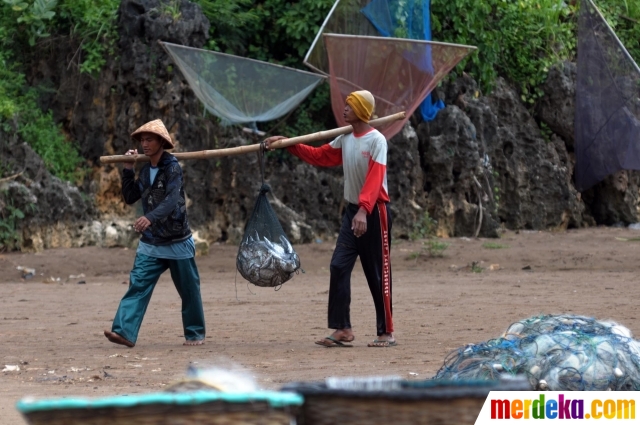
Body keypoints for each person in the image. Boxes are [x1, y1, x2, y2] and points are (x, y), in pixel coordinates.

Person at [264, 90, 395, 348]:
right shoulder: (345, 137)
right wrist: (289, 144)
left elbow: (375, 178)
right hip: (352, 212)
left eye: (350, 106)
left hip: (374, 212)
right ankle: (343, 328)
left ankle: (386, 332)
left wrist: (363, 210)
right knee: (338, 266)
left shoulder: (377, 141)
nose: (344, 109)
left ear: (362, 111)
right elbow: (321, 155)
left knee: (377, 274)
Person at [104, 119, 206, 348]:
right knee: (138, 284)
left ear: (161, 142)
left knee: (189, 289)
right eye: (142, 140)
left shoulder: (172, 168)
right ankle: (123, 332)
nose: (144, 144)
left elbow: (171, 200)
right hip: (152, 242)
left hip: (177, 239)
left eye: (149, 139)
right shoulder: (146, 169)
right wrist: (128, 170)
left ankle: (195, 332)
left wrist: (149, 217)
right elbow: (131, 197)